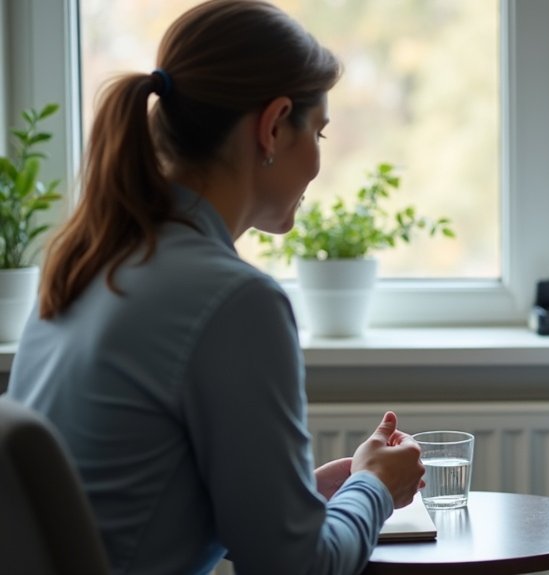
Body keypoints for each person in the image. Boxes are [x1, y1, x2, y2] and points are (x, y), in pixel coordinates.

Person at [4, 1, 424, 574]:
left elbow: (138, 501)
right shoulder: (235, 302)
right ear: (273, 125)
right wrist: (375, 487)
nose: (318, 161)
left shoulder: (83, 266)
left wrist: (312, 494)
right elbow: (299, 569)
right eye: (318, 132)